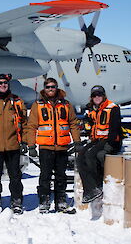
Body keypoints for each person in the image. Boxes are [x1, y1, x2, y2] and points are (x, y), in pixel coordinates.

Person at [27, 77, 81, 213]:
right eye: (48, 87)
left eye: (53, 87)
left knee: (61, 176)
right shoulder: (37, 106)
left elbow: (73, 124)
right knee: (45, 176)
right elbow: (31, 126)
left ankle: (61, 201)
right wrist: (31, 146)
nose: (50, 89)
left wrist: (77, 141)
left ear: (56, 88)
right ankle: (44, 201)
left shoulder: (66, 105)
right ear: (44, 89)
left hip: (62, 147)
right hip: (46, 147)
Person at [0, 73, 27, 215]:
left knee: (15, 175)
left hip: (13, 145)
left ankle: (16, 200)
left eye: (5, 83)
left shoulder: (16, 102)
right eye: (0, 83)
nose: (3, 85)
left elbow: (25, 122)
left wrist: (25, 141)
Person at [76, 85, 122, 203]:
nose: (97, 97)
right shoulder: (93, 109)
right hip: (97, 140)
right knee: (80, 157)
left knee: (91, 155)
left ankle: (97, 185)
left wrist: (110, 145)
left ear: (104, 96)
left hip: (110, 140)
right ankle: (90, 189)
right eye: (94, 95)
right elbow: (90, 124)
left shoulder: (112, 108)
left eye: (99, 95)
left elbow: (115, 128)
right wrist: (87, 122)